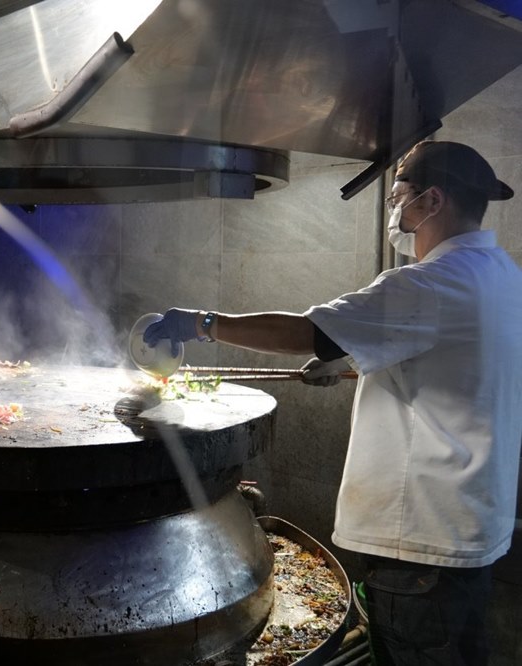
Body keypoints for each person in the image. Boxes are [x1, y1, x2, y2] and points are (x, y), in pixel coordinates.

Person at [143, 140, 520, 666]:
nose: (395, 209)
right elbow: (460, 366)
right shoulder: (503, 275)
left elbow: (307, 332)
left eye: (398, 196)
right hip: (469, 529)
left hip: (422, 543)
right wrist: (351, 366)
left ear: (432, 201)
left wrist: (202, 323)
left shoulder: (430, 283)